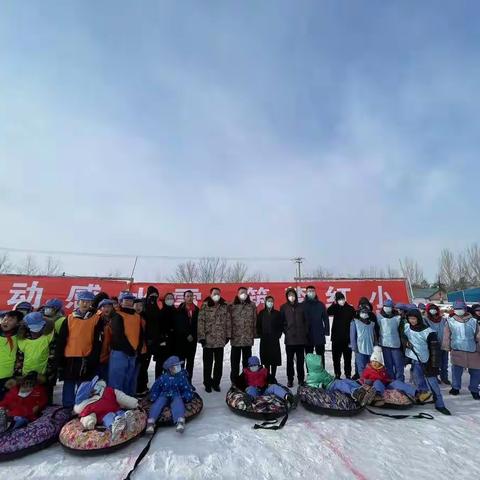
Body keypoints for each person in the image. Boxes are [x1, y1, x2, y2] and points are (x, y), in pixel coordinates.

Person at [56, 290, 103, 408]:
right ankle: (67, 407)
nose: (85, 304)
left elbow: (98, 340)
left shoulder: (96, 318)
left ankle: (81, 407)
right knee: (69, 383)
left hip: (86, 356)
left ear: (91, 303)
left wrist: (94, 356)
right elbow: (62, 339)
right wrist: (59, 357)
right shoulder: (69, 318)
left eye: (88, 302)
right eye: (83, 301)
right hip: (70, 356)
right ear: (78, 302)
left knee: (83, 384)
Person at [402, 309, 450, 415]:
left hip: (427, 362)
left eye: (414, 318)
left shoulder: (428, 332)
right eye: (410, 319)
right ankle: (424, 397)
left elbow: (434, 349)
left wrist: (434, 365)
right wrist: (406, 342)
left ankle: (440, 404)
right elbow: (403, 337)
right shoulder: (407, 328)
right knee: (419, 382)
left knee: (433, 383)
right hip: (415, 361)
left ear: (418, 318)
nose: (412, 321)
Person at [73, 375, 138, 441]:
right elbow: (87, 417)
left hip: (116, 410)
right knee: (108, 418)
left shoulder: (108, 391)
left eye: (95, 385)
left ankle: (128, 421)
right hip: (104, 416)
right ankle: (114, 426)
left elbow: (122, 397)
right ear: (89, 394)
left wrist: (133, 403)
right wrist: (90, 422)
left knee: (121, 413)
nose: (96, 387)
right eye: (93, 387)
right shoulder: (89, 405)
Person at [360, 346, 431, 405]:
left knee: (397, 383)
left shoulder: (383, 369)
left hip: (385, 384)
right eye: (373, 361)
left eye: (376, 362)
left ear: (381, 363)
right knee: (377, 382)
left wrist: (389, 380)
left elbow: (386, 378)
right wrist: (367, 381)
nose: (374, 363)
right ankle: (377, 396)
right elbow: (362, 379)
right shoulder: (368, 369)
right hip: (374, 385)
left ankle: (417, 394)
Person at [146, 356, 195, 434]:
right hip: (164, 394)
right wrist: (153, 396)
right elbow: (156, 387)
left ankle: (179, 421)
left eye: (179, 366)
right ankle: (151, 422)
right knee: (158, 404)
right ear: (170, 368)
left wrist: (186, 396)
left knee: (178, 403)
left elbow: (186, 388)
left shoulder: (182, 376)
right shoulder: (163, 377)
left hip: (176, 394)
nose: (178, 368)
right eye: (176, 366)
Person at [442, 300, 480, 400]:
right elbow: (446, 335)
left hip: (473, 350)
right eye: (456, 309)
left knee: (476, 371)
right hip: (457, 350)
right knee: (456, 371)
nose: (459, 311)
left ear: (465, 309)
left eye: (460, 309)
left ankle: (474, 389)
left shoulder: (473, 321)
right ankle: (455, 387)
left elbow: (478, 335)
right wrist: (446, 346)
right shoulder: (450, 321)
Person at [305, 353, 375, 407]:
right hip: (329, 386)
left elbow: (327, 376)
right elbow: (311, 385)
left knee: (347, 381)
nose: (320, 363)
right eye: (318, 363)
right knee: (341, 385)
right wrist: (320, 385)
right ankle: (356, 393)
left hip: (333, 381)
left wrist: (331, 378)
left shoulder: (320, 370)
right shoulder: (312, 376)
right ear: (313, 364)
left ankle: (362, 390)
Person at [109, 292, 143, 397]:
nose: (128, 302)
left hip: (132, 353)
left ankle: (128, 403)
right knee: (117, 380)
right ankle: (115, 404)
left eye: (130, 300)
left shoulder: (137, 316)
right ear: (121, 301)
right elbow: (118, 335)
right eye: (126, 300)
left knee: (129, 379)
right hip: (120, 352)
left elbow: (140, 333)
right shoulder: (117, 315)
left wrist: (138, 349)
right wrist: (129, 350)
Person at [17, 312, 57, 403]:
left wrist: (48, 373)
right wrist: (19, 374)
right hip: (26, 375)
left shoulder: (48, 337)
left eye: (38, 328)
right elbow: (19, 358)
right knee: (26, 399)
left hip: (44, 374)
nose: (36, 332)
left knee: (43, 399)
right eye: (33, 328)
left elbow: (53, 356)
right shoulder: (22, 339)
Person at [197, 287, 231, 393]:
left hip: (220, 340)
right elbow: (200, 322)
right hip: (208, 340)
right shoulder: (205, 305)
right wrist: (201, 337)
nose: (216, 295)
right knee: (208, 364)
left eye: (218, 293)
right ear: (211, 294)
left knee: (219, 364)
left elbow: (228, 321)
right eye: (214, 293)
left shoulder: (224, 306)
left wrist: (228, 336)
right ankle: (207, 383)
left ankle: (216, 383)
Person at [280, 288, 308, 388]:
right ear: (287, 297)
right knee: (289, 361)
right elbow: (282, 322)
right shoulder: (283, 307)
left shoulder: (301, 307)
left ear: (296, 296)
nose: (291, 297)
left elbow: (306, 321)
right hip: (290, 340)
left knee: (300, 361)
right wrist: (286, 331)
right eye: (289, 295)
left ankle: (301, 379)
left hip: (301, 339)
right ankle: (290, 379)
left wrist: (304, 332)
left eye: (293, 295)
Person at [229, 287, 257, 383]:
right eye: (241, 292)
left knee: (247, 363)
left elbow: (254, 321)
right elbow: (229, 321)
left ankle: (246, 380)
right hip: (236, 339)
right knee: (234, 363)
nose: (243, 294)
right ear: (237, 294)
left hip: (247, 339)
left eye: (245, 293)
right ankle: (235, 381)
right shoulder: (232, 306)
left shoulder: (252, 305)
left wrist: (254, 334)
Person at [327, 292, 355, 379]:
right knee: (336, 359)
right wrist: (334, 304)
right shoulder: (335, 308)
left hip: (347, 339)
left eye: (342, 299)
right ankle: (337, 374)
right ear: (336, 300)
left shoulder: (350, 308)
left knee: (347, 359)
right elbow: (328, 312)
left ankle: (348, 374)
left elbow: (355, 319)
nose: (341, 301)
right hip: (336, 339)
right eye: (339, 299)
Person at [376, 299, 405, 381]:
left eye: (389, 307)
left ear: (392, 308)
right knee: (388, 364)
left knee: (398, 364)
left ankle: (400, 380)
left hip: (395, 344)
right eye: (385, 306)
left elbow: (401, 330)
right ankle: (391, 380)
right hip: (384, 344)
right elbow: (377, 329)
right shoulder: (379, 316)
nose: (387, 308)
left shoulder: (397, 317)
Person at [173, 290, 199, 381]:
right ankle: (180, 381)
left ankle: (188, 382)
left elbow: (198, 325)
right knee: (181, 362)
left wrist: (193, 335)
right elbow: (178, 325)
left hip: (192, 340)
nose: (189, 298)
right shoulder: (179, 310)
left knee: (190, 362)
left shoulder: (197, 310)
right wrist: (186, 334)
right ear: (184, 298)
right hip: (181, 340)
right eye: (187, 296)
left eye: (191, 296)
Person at [303, 286, 330, 368]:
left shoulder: (320, 305)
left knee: (320, 355)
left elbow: (325, 318)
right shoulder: (302, 305)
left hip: (319, 333)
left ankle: (322, 372)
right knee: (309, 356)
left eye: (312, 291)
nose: (311, 292)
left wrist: (326, 330)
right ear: (306, 293)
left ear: (315, 292)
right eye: (309, 291)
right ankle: (310, 374)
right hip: (307, 334)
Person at [256, 296, 282, 378]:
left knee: (274, 359)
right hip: (265, 339)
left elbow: (280, 326)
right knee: (266, 359)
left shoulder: (277, 313)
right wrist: (260, 334)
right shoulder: (261, 313)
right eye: (268, 301)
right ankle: (267, 377)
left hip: (274, 339)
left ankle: (273, 377)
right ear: (265, 302)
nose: (270, 302)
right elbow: (258, 325)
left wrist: (278, 335)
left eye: (271, 301)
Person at [152, 292, 176, 379]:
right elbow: (157, 329)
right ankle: (158, 384)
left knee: (171, 366)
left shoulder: (176, 312)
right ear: (164, 300)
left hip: (173, 344)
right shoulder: (160, 313)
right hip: (162, 344)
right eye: (168, 298)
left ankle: (169, 386)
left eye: (171, 298)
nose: (170, 300)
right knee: (160, 365)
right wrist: (160, 340)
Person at [425, 303, 450, 385]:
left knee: (444, 363)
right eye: (431, 309)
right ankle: (435, 377)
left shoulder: (443, 320)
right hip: (433, 346)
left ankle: (444, 378)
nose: (433, 310)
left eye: (434, 309)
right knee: (434, 363)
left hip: (444, 344)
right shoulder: (426, 320)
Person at [0, 311, 23, 400]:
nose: (6, 322)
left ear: (18, 323)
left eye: (11, 320)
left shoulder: (20, 335)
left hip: (8, 375)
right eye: (5, 319)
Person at [350, 301, 377, 376]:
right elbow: (352, 336)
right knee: (361, 367)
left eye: (366, 312)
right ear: (359, 313)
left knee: (371, 367)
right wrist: (354, 347)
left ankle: (370, 382)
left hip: (370, 349)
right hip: (360, 349)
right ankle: (363, 383)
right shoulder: (355, 322)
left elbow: (374, 336)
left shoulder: (372, 324)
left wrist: (376, 346)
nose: (364, 313)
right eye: (362, 312)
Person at [97, 298, 117, 382]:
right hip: (99, 355)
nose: (107, 309)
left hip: (111, 354)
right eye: (104, 306)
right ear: (100, 308)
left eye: (109, 306)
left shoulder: (116, 320)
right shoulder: (96, 320)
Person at [133, 297, 149, 397]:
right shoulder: (131, 317)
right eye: (136, 305)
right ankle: (135, 389)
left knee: (143, 369)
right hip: (134, 348)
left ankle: (142, 388)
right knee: (135, 370)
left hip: (144, 347)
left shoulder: (144, 317)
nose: (138, 307)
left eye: (141, 305)